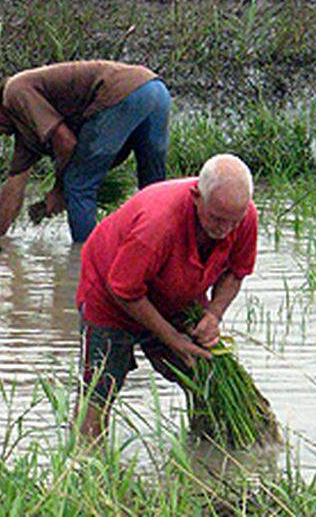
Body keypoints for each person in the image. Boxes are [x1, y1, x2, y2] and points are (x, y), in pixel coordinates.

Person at [73, 154, 258, 441]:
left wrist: (213, 315)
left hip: (175, 296)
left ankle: (205, 451)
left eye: (233, 222)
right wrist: (171, 338)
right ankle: (86, 458)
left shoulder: (242, 216)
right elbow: (124, 289)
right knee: (99, 392)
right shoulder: (158, 224)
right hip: (110, 298)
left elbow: (236, 271)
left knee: (205, 377)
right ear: (196, 197)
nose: (225, 230)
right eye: (216, 219)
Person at [0, 60, 171, 244]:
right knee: (154, 191)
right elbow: (14, 186)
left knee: (78, 185)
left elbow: (66, 142)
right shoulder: (24, 130)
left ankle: (84, 262)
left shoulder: (15, 92)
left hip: (123, 95)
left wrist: (59, 190)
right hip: (155, 90)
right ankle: (162, 251)